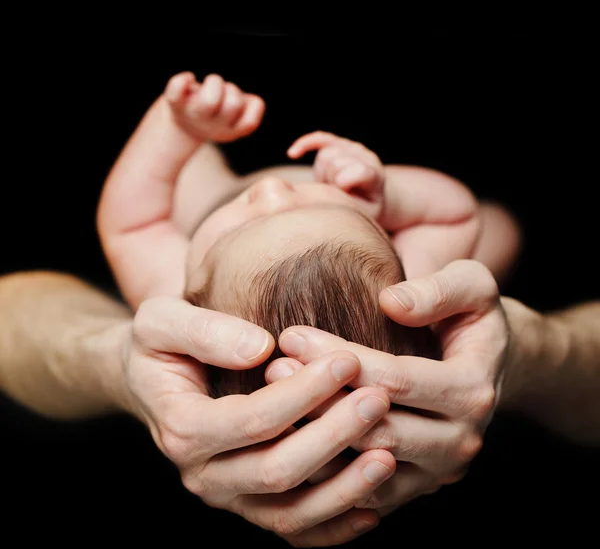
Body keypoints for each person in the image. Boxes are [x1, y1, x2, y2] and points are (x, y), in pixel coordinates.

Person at [1, 261, 598, 547]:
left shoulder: (164, 239)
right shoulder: (420, 221)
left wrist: (542, 351)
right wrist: (107, 358)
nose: (273, 188)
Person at [96, 71, 521, 396]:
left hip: (209, 202)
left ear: (194, 299)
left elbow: (133, 226)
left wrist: (179, 128)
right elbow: (453, 217)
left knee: (190, 170)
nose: (272, 190)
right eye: (323, 206)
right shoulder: (404, 290)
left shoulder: (176, 293)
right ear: (393, 243)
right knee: (499, 229)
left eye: (245, 226)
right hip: (381, 233)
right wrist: (387, 198)